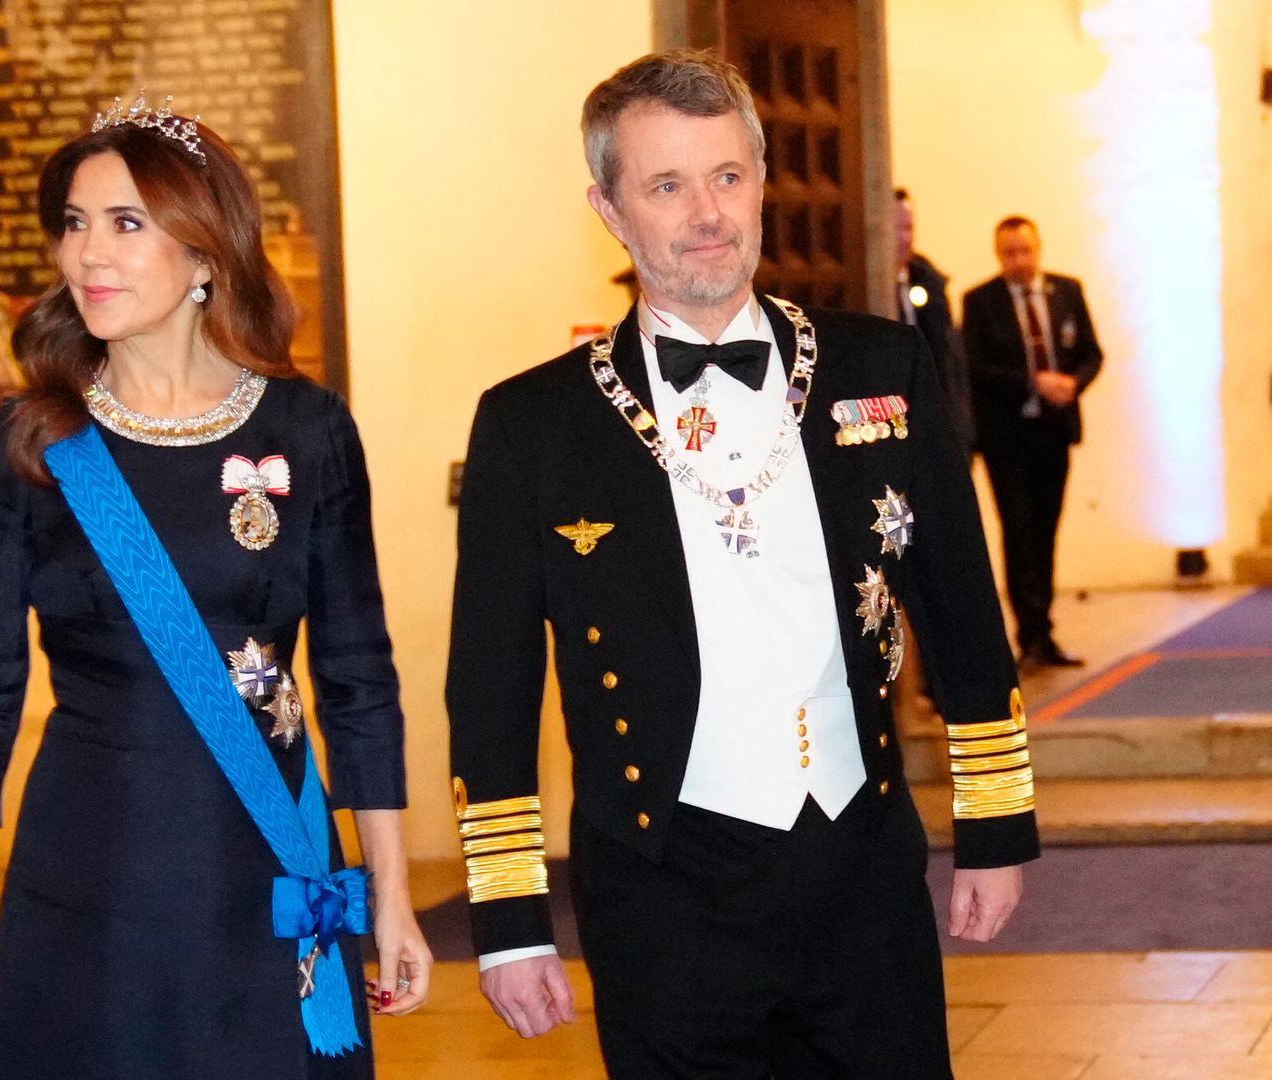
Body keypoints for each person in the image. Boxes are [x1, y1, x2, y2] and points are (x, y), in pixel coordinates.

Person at [447, 50, 1038, 1079]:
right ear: (609, 208)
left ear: (762, 178)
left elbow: (960, 605)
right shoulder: (531, 425)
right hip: (664, 884)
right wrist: (509, 920)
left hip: (861, 863)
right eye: (666, 185)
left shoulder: (880, 368)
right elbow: (492, 687)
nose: (707, 213)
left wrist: (995, 826)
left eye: (728, 175)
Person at [0, 97, 431, 1079]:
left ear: (204, 256)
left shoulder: (308, 430)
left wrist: (389, 891)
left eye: (126, 223)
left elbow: (360, 679)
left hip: (268, 862)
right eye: (74, 223)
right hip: (88, 874)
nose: (87, 253)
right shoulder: (28, 444)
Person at [961, 216, 1103, 669]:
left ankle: (1045, 632)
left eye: (1025, 250)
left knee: (1045, 533)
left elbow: (1092, 353)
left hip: (1054, 431)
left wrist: (1072, 384)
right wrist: (1032, 383)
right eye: (1008, 253)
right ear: (998, 254)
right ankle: (1028, 637)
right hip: (1008, 436)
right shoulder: (981, 301)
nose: (1018, 261)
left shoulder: (1067, 291)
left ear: (1038, 248)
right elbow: (976, 367)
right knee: (1018, 533)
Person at [894, 188, 972, 452]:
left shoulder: (930, 284)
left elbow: (949, 361)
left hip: (934, 417)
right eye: (896, 229)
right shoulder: (865, 288)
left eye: (908, 228)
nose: (904, 239)